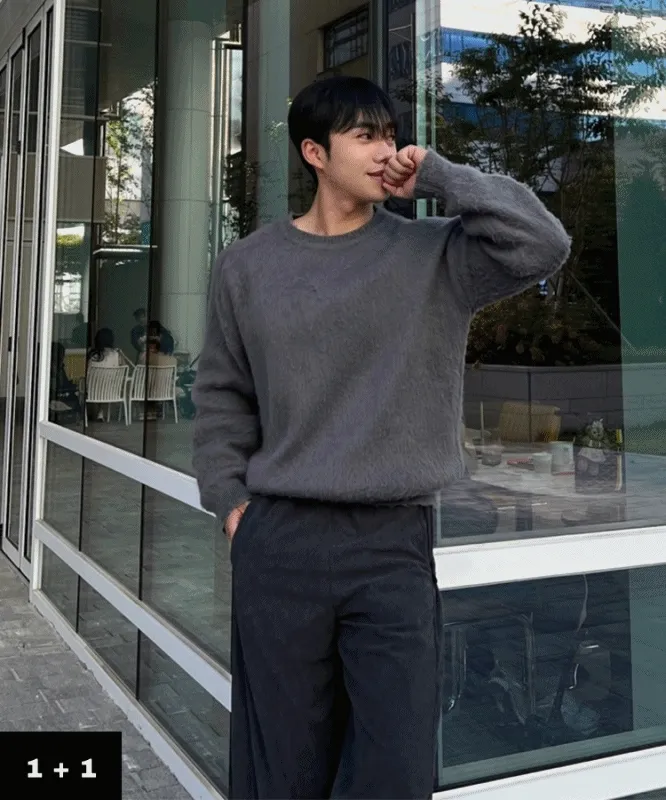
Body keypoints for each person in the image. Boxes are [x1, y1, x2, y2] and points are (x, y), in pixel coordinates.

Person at [192, 76, 571, 799]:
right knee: (283, 763)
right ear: (315, 152)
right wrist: (231, 499)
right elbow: (221, 394)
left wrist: (439, 177)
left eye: (390, 135)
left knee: (396, 766)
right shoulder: (248, 265)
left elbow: (543, 243)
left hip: (391, 542)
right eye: (365, 136)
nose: (385, 150)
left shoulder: (434, 255)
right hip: (280, 540)